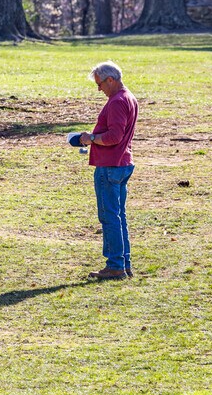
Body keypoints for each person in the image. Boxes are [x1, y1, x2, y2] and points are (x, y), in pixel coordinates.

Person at [79, 61, 138, 280]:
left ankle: (115, 266)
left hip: (110, 166)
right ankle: (124, 263)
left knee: (109, 216)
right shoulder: (129, 97)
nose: (99, 89)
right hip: (122, 164)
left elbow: (114, 136)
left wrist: (91, 138)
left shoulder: (117, 102)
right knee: (118, 215)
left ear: (110, 80)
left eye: (100, 84)